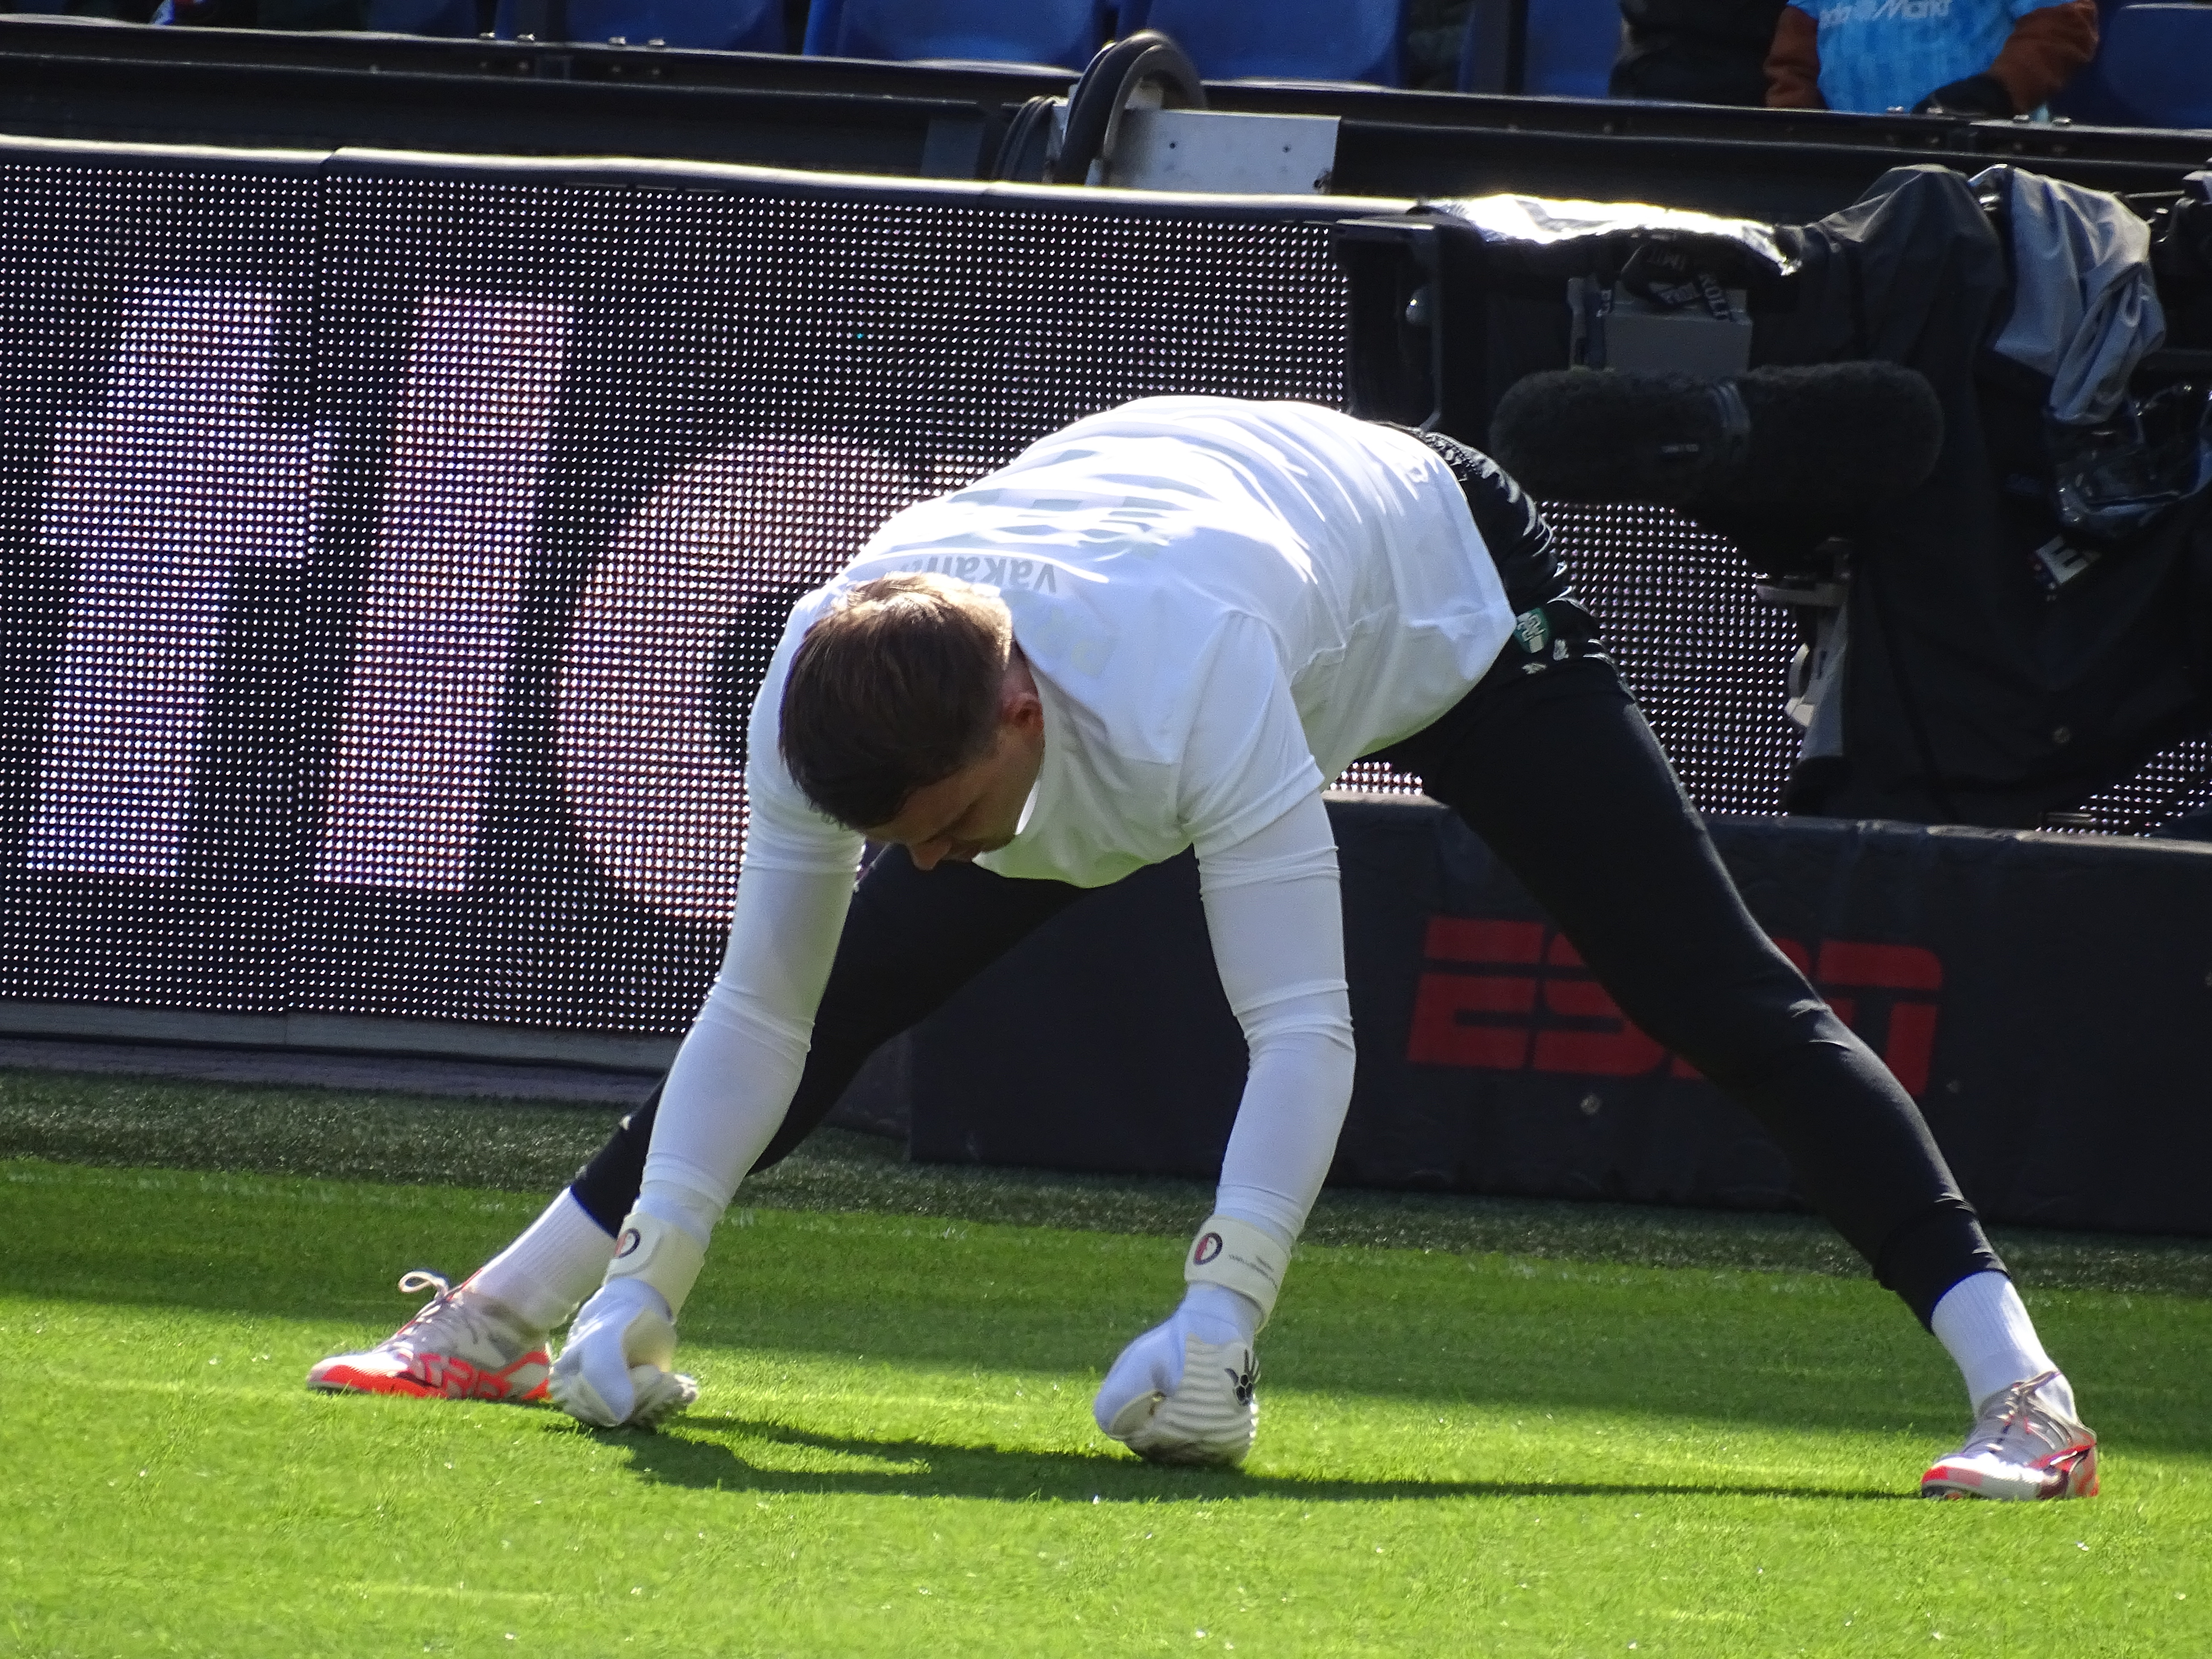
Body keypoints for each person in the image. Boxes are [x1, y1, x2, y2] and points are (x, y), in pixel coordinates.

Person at [310, 396, 2098, 1499]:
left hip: (1436, 584)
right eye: (901, 836)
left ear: (1014, 713)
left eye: (943, 826)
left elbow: (1302, 1029)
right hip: (1202, 532)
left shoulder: (1188, 677)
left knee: (1716, 997)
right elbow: (760, 1001)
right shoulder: (825, 684)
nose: (925, 862)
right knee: (845, 987)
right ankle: (503, 1317)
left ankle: (2024, 1398)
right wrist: (652, 1276)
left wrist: (1219, 1323)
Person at [1763, 0, 2096, 116]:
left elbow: (2062, 26)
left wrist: (1996, 92)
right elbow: (1792, 67)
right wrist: (1799, 128)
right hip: (1850, 168)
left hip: (1982, 161)